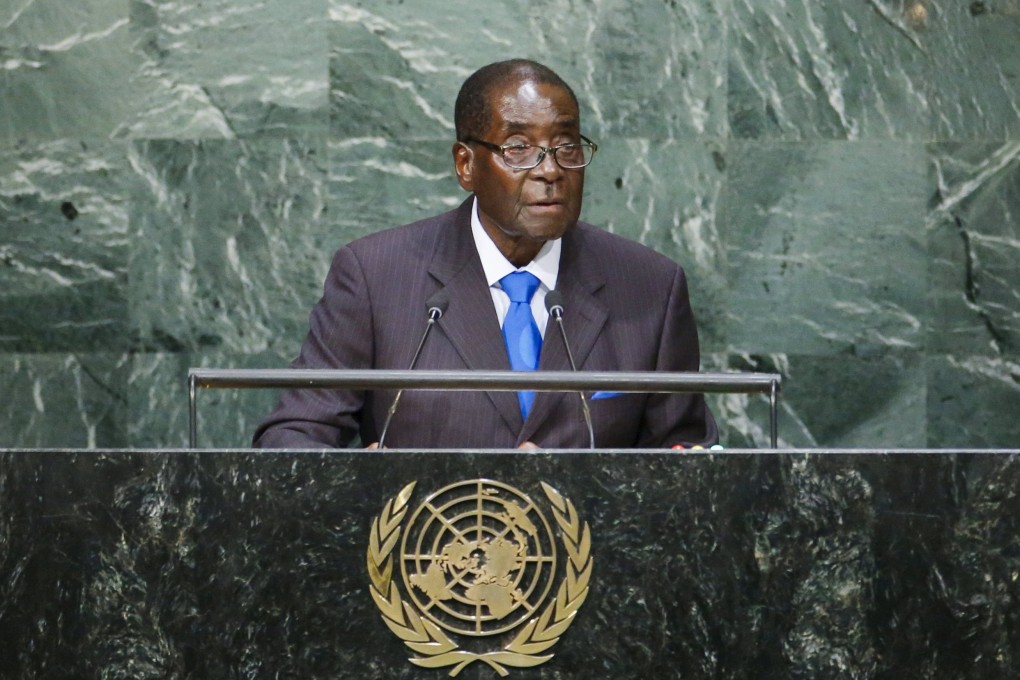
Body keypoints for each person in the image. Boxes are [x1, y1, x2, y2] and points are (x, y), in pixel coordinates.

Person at [253, 59, 718, 449]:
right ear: (466, 165)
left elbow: (685, 458)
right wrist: (359, 485)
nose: (550, 170)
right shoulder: (375, 277)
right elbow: (294, 435)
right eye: (519, 149)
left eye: (565, 146)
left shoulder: (650, 287)